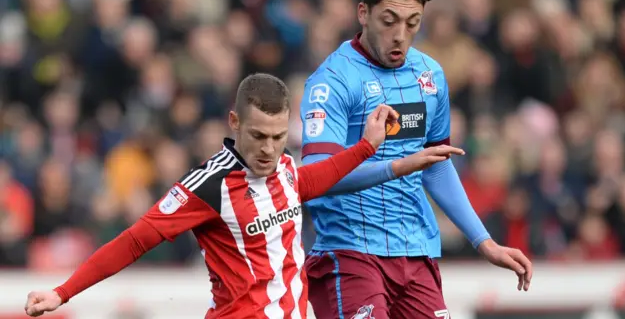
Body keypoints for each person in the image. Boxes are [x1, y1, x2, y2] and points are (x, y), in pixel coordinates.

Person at [23, 73, 462, 319]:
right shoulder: (206, 186)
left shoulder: (287, 169)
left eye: (276, 136)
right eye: (257, 135)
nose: (268, 148)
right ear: (234, 122)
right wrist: (64, 292)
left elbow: (318, 178)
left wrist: (370, 149)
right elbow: (136, 239)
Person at [300, 0, 534, 319]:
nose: (400, 35)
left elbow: (436, 166)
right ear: (363, 13)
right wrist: (397, 167)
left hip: (416, 252)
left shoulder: (430, 75)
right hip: (350, 253)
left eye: (412, 24)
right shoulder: (332, 81)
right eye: (389, 21)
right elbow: (314, 178)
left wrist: (483, 241)